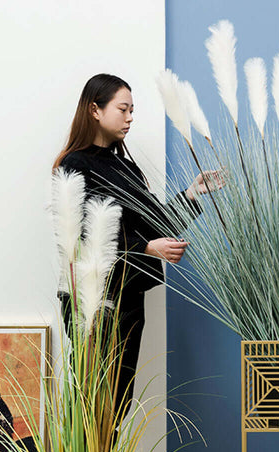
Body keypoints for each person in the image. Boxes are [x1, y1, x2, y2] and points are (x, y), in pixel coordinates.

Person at [53, 73, 223, 419]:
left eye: (133, 110)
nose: (130, 118)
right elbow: (85, 238)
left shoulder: (126, 167)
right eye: (123, 109)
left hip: (130, 298)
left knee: (118, 405)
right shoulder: (74, 165)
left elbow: (155, 224)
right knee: (92, 406)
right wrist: (146, 249)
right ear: (95, 110)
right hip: (94, 301)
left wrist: (193, 193)